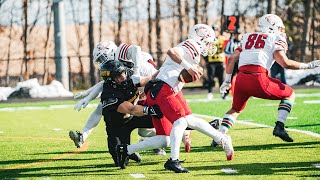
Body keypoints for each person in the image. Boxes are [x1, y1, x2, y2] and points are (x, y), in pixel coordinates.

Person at [117, 24, 234, 173]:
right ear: (202, 37)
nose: (210, 45)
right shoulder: (192, 45)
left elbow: (172, 71)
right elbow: (171, 52)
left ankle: (126, 149)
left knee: (166, 137)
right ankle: (174, 160)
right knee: (181, 121)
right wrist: (188, 67)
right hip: (163, 88)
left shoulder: (194, 52)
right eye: (209, 41)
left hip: (162, 88)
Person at [217, 14, 320, 142]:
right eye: (279, 27)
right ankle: (280, 126)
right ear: (273, 27)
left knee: (236, 109)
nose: (281, 30)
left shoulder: (247, 36)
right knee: (289, 94)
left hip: (241, 78)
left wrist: (227, 81)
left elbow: (232, 58)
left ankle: (219, 137)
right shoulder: (275, 37)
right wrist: (308, 66)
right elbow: (285, 63)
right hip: (258, 78)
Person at [69, 41, 167, 155]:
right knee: (142, 130)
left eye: (101, 59)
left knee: (158, 123)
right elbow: (104, 85)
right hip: (140, 90)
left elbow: (136, 48)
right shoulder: (117, 66)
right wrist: (87, 95)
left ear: (109, 52)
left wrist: (136, 71)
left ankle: (175, 134)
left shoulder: (121, 54)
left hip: (153, 88)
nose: (101, 63)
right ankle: (153, 143)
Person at [98, 60, 163, 166]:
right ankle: (130, 152)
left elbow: (151, 78)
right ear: (110, 80)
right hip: (118, 125)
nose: (122, 77)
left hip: (133, 118)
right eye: (117, 76)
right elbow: (130, 109)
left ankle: (182, 129)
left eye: (122, 73)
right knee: (120, 162)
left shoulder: (131, 79)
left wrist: (167, 71)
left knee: (162, 116)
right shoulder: (108, 93)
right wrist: (150, 110)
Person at [203, 24, 226, 100]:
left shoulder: (222, 39)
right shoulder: (208, 40)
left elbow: (227, 48)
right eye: (213, 31)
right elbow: (203, 50)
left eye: (216, 30)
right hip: (211, 62)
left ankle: (222, 93)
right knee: (210, 79)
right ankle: (210, 93)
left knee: (221, 79)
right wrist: (206, 60)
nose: (215, 32)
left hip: (220, 61)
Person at [222, 28, 242, 99]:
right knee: (229, 78)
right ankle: (225, 93)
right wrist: (233, 56)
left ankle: (247, 93)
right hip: (233, 63)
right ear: (234, 35)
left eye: (239, 34)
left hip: (241, 63)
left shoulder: (243, 42)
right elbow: (225, 51)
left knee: (243, 78)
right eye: (237, 35)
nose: (238, 36)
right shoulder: (230, 42)